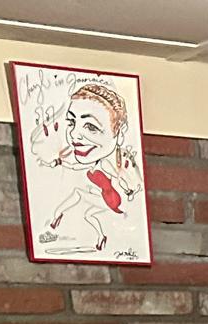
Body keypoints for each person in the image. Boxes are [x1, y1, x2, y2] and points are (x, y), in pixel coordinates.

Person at [36, 80, 139, 256]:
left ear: (119, 133)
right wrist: (55, 162)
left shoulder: (108, 163)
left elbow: (117, 177)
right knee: (88, 215)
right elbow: (75, 166)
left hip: (111, 200)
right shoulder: (96, 162)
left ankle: (56, 218)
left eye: (90, 126)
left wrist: (129, 190)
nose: (74, 135)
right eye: (71, 122)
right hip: (107, 198)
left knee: (78, 195)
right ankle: (100, 238)